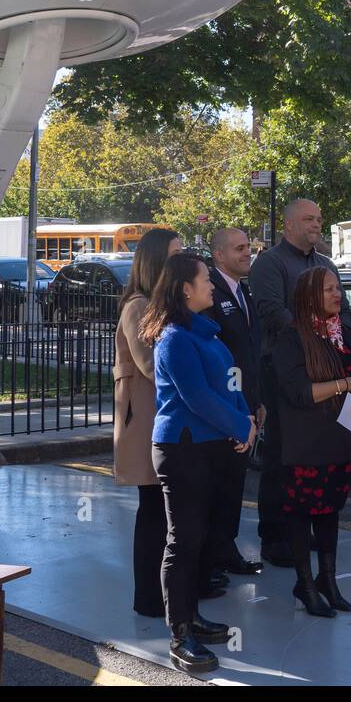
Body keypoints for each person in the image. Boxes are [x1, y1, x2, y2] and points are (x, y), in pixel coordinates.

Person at [140, 253, 256, 673]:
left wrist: (244, 418)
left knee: (204, 538)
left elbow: (231, 384)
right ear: (185, 289)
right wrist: (240, 426)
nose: (212, 285)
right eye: (206, 279)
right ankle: (179, 633)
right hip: (183, 450)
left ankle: (193, 615)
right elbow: (197, 398)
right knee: (184, 540)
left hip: (213, 447)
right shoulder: (174, 338)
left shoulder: (210, 336)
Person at [248, 198, 351, 568]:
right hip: (284, 372)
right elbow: (273, 313)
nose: (317, 224)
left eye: (319, 218)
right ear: (288, 224)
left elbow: (343, 316)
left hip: (326, 374)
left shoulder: (325, 265)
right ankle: (274, 535)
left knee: (316, 453)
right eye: (309, 219)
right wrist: (314, 339)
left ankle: (305, 528)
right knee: (282, 454)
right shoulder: (270, 263)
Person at [271, 266, 351, 617]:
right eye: (329, 289)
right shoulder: (292, 338)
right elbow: (299, 393)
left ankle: (328, 579)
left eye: (338, 288)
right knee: (301, 514)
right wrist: (347, 386)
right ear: (309, 295)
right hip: (307, 444)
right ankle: (305, 582)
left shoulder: (341, 333)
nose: (337, 295)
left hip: (340, 440)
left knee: (330, 512)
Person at [113, 227, 181, 618]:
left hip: (158, 417)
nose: (182, 259)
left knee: (161, 509)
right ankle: (149, 597)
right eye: (174, 254)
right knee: (154, 509)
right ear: (156, 260)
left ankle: (161, 593)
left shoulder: (156, 303)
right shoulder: (139, 306)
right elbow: (152, 366)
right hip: (146, 421)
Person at [202, 227, 265, 581]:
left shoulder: (244, 290)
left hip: (246, 403)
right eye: (239, 249)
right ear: (219, 255)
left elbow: (251, 350)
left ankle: (226, 550)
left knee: (234, 486)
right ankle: (209, 559)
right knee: (215, 488)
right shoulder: (210, 291)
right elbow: (217, 356)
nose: (247, 253)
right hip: (223, 408)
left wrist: (256, 401)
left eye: (248, 248)